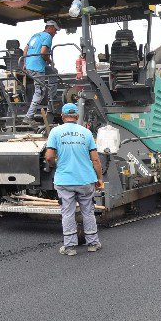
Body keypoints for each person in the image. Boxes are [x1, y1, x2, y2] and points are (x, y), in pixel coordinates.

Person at [44, 103, 104, 256]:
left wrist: (55, 164)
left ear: (63, 117)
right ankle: (93, 243)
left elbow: (49, 156)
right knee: (88, 212)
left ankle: (70, 247)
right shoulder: (87, 133)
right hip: (85, 179)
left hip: (64, 181)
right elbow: (96, 160)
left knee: (68, 213)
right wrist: (99, 178)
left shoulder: (55, 132)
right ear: (77, 117)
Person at [22, 20, 59, 122]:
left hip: (29, 66)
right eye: (55, 30)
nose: (55, 33)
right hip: (37, 68)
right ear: (50, 28)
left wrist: (25, 63)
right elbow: (43, 53)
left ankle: (52, 97)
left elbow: (25, 49)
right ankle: (29, 117)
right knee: (40, 92)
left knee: (53, 71)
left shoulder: (36, 35)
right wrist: (50, 61)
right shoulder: (48, 37)